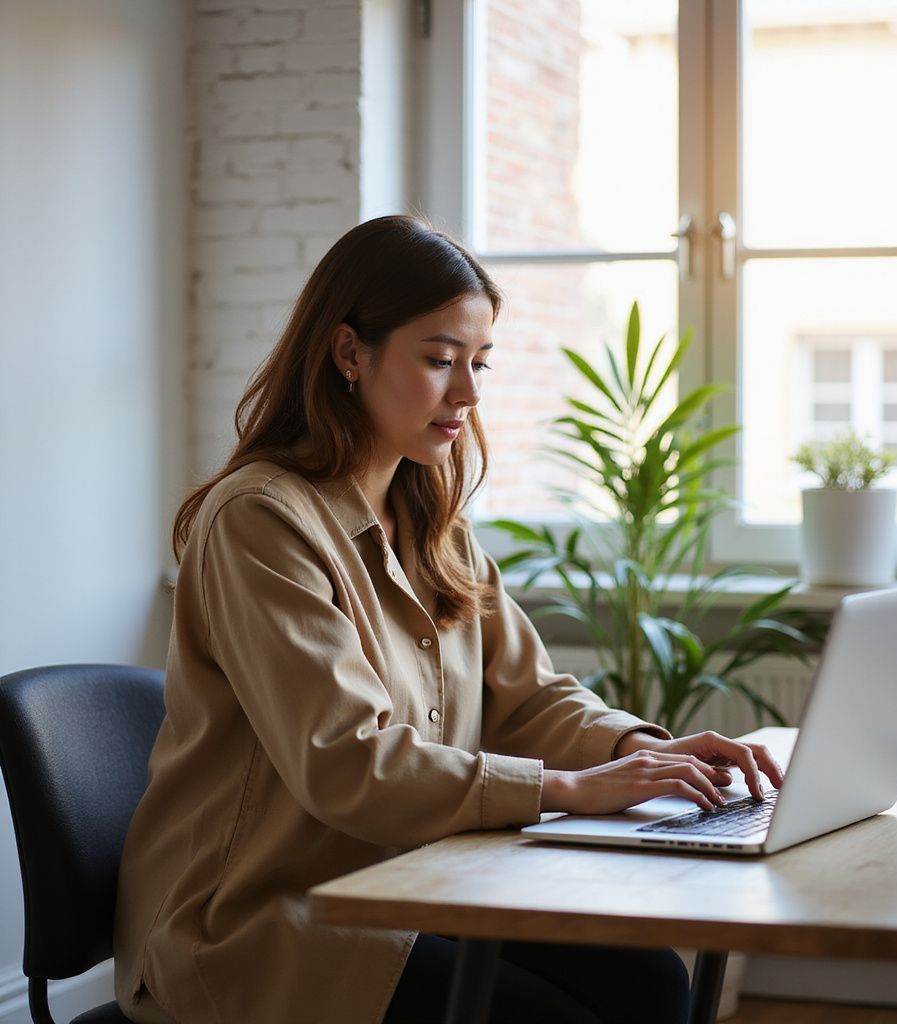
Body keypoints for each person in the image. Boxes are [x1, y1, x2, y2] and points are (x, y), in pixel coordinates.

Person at [113, 215, 783, 1024]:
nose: (467, 394)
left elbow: (529, 698)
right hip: (263, 920)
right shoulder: (260, 522)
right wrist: (570, 788)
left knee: (651, 984)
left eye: (477, 364)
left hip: (415, 881)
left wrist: (642, 751)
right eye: (438, 361)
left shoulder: (431, 520)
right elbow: (346, 761)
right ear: (349, 354)